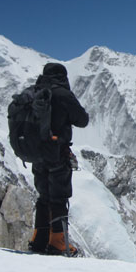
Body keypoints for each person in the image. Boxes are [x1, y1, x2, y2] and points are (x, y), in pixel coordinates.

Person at [28, 62, 89, 255]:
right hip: (57, 153)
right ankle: (58, 241)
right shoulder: (62, 94)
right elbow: (82, 120)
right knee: (59, 197)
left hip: (37, 154)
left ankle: (39, 239)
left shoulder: (34, 93)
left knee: (44, 196)